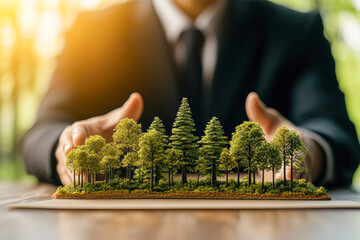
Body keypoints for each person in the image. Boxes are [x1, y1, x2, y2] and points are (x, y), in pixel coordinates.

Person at [22, 0, 360, 187]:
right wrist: (68, 148)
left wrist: (308, 153)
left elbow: (335, 133)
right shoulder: (91, 31)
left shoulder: (296, 32)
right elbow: (43, 131)